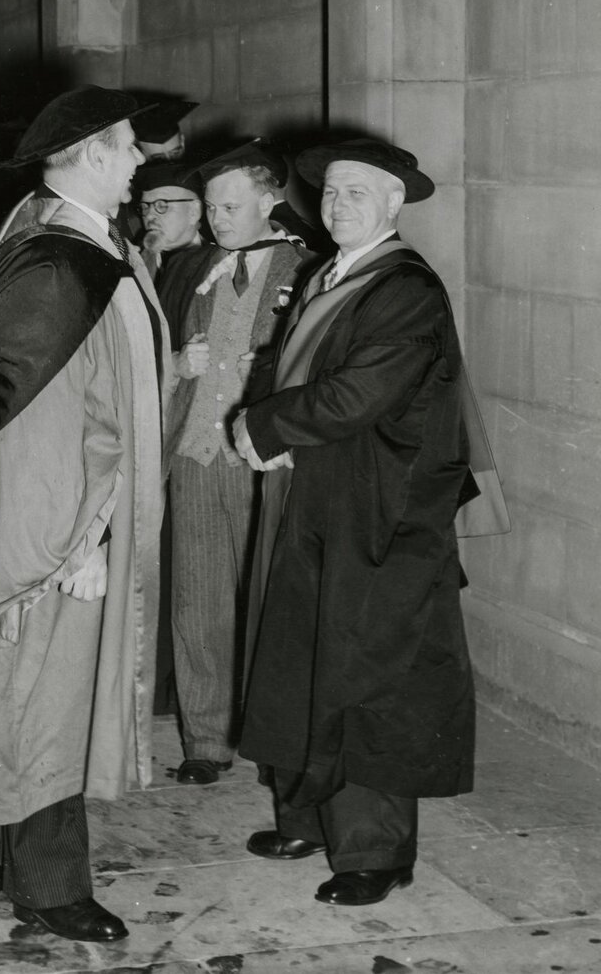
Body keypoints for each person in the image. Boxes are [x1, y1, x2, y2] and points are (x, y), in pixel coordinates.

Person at [0, 85, 170, 944]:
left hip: (30, 504)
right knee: (41, 691)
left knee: (3, 683)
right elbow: (38, 430)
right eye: (129, 148)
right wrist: (72, 543)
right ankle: (48, 886)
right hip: (43, 517)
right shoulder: (63, 266)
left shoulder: (54, 237)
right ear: (92, 151)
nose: (138, 162)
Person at [233, 138, 487, 907]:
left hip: (383, 512)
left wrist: (262, 427)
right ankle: (308, 813)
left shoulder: (403, 287)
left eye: (356, 194)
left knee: (370, 675)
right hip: (322, 499)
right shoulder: (329, 272)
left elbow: (358, 397)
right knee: (303, 659)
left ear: (392, 203)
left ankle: (375, 851)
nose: (338, 206)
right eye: (331, 193)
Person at [163, 140, 310, 786]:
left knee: (269, 600)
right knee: (198, 598)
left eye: (230, 206)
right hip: (197, 452)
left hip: (263, 462)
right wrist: (177, 366)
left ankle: (272, 735)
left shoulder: (305, 270)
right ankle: (205, 737)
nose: (218, 218)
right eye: (213, 207)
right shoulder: (194, 268)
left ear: (270, 200)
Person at [136, 160, 205, 283]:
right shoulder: (132, 258)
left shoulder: (217, 262)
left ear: (194, 211)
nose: (149, 215)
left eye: (162, 206)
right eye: (145, 207)